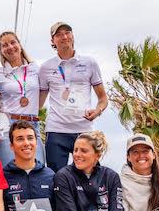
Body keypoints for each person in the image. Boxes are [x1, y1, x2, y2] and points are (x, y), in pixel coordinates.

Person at [38, 23, 108, 173]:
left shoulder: (90, 63)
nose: (64, 37)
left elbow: (103, 98)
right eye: (59, 35)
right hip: (56, 130)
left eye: (67, 32)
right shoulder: (45, 67)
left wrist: (97, 111)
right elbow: (38, 102)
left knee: (90, 178)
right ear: (52, 41)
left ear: (72, 36)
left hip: (84, 130)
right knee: (56, 179)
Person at [0, 32, 44, 166]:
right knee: (9, 172)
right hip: (6, 126)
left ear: (20, 45)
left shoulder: (35, 69)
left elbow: (44, 92)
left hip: (32, 125)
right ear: (1, 51)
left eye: (13, 42)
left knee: (38, 169)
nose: (10, 47)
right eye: (4, 45)